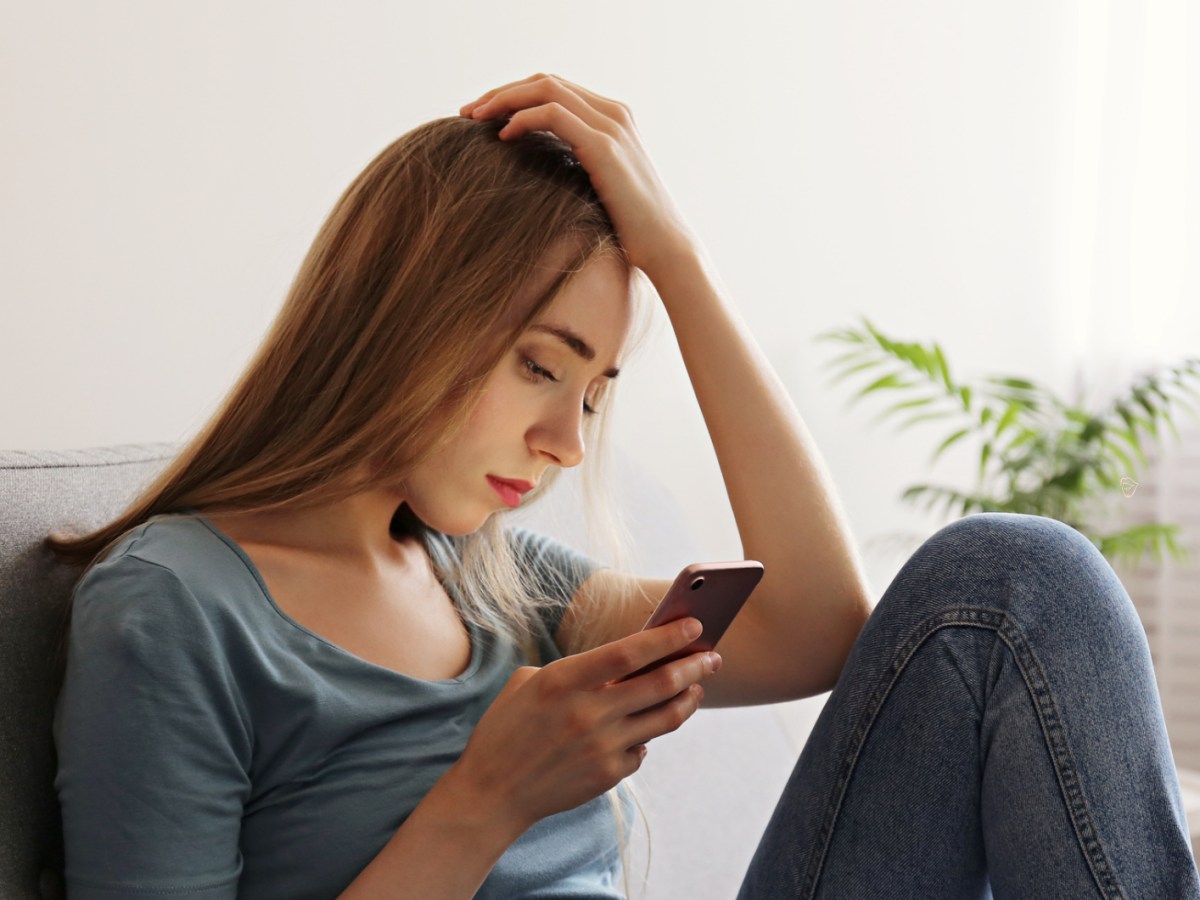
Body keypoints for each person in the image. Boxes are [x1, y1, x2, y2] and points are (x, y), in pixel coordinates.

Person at [45, 73, 1199, 899]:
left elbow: (818, 630)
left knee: (1010, 577)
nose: (563, 441)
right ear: (402, 315)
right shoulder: (174, 608)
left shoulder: (485, 578)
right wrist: (484, 800)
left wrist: (679, 260)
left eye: (592, 393)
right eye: (540, 365)